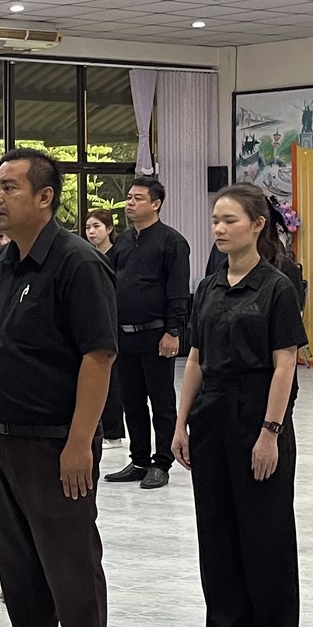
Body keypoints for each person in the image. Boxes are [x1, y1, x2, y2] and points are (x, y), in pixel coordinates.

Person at [0, 149, 118, 627]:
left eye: (9, 187)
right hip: (2, 436)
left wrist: (80, 442)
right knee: (18, 563)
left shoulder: (77, 263)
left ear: (45, 197)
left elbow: (98, 357)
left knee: (68, 563)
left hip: (55, 441)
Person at [173, 185, 306, 627]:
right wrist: (180, 423)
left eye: (230, 220)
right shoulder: (208, 287)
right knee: (216, 529)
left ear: (257, 224)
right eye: (215, 220)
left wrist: (271, 432)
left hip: (256, 414)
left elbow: (285, 365)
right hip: (210, 414)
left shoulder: (276, 287)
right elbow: (194, 359)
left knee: (264, 530)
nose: (220, 229)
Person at [106, 175, 191, 490]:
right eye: (129, 197)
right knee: (131, 400)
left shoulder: (172, 242)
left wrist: (173, 331)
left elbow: (178, 290)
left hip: (157, 334)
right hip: (124, 335)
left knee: (161, 401)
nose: (130, 203)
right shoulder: (123, 242)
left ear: (156, 204)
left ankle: (161, 462)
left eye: (137, 198)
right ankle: (139, 459)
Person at [84, 208, 126, 444]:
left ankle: (114, 432)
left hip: (115, 321)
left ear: (109, 229)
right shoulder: (86, 255)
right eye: (88, 227)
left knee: (113, 379)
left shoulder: (117, 255)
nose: (91, 232)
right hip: (94, 320)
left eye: (96, 226)